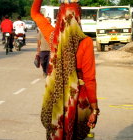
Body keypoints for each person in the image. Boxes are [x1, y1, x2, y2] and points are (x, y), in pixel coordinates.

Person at [31, 0, 100, 140]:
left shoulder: (53, 38)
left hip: (56, 100)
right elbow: (90, 79)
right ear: (78, 18)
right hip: (78, 102)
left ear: (59, 19)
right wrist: (94, 109)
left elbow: (34, 13)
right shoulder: (85, 42)